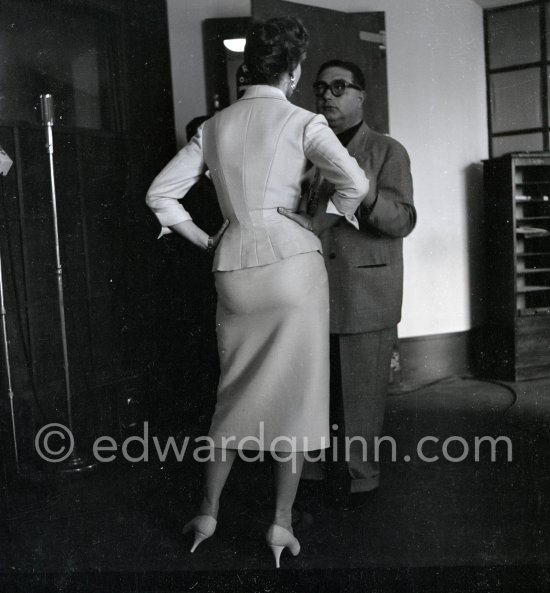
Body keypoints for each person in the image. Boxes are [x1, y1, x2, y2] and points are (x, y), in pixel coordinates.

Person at [145, 20, 368, 567]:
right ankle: (280, 525)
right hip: (293, 267)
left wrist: (205, 239)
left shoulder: (216, 125)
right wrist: (319, 221)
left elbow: (160, 195)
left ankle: (207, 512)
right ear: (292, 73)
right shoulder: (302, 120)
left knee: (234, 390)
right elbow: (356, 184)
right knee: (298, 398)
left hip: (234, 264)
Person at [288, 60, 416, 510]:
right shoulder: (305, 148)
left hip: (365, 293)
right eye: (320, 87)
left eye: (339, 87)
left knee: (360, 399)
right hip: (307, 291)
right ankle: (313, 473)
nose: (327, 95)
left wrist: (365, 195)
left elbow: (402, 221)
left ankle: (362, 481)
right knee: (311, 392)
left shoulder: (386, 151)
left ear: (361, 96)